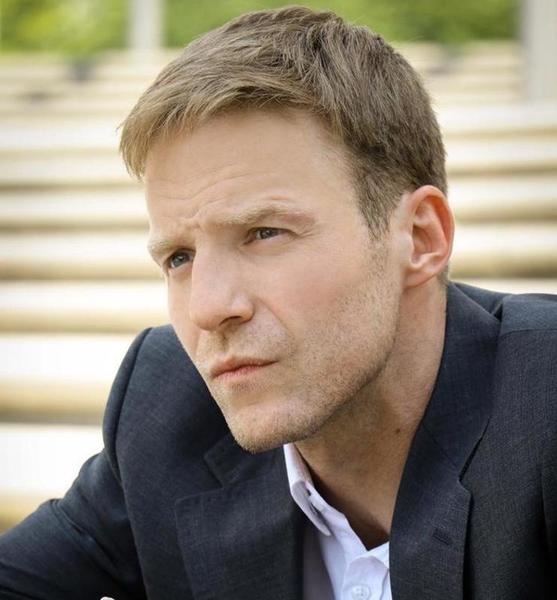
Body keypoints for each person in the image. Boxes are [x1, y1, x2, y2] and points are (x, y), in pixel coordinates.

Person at [1, 6, 556, 600]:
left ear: (420, 238)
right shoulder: (169, 408)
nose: (208, 309)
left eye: (264, 233)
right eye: (179, 258)